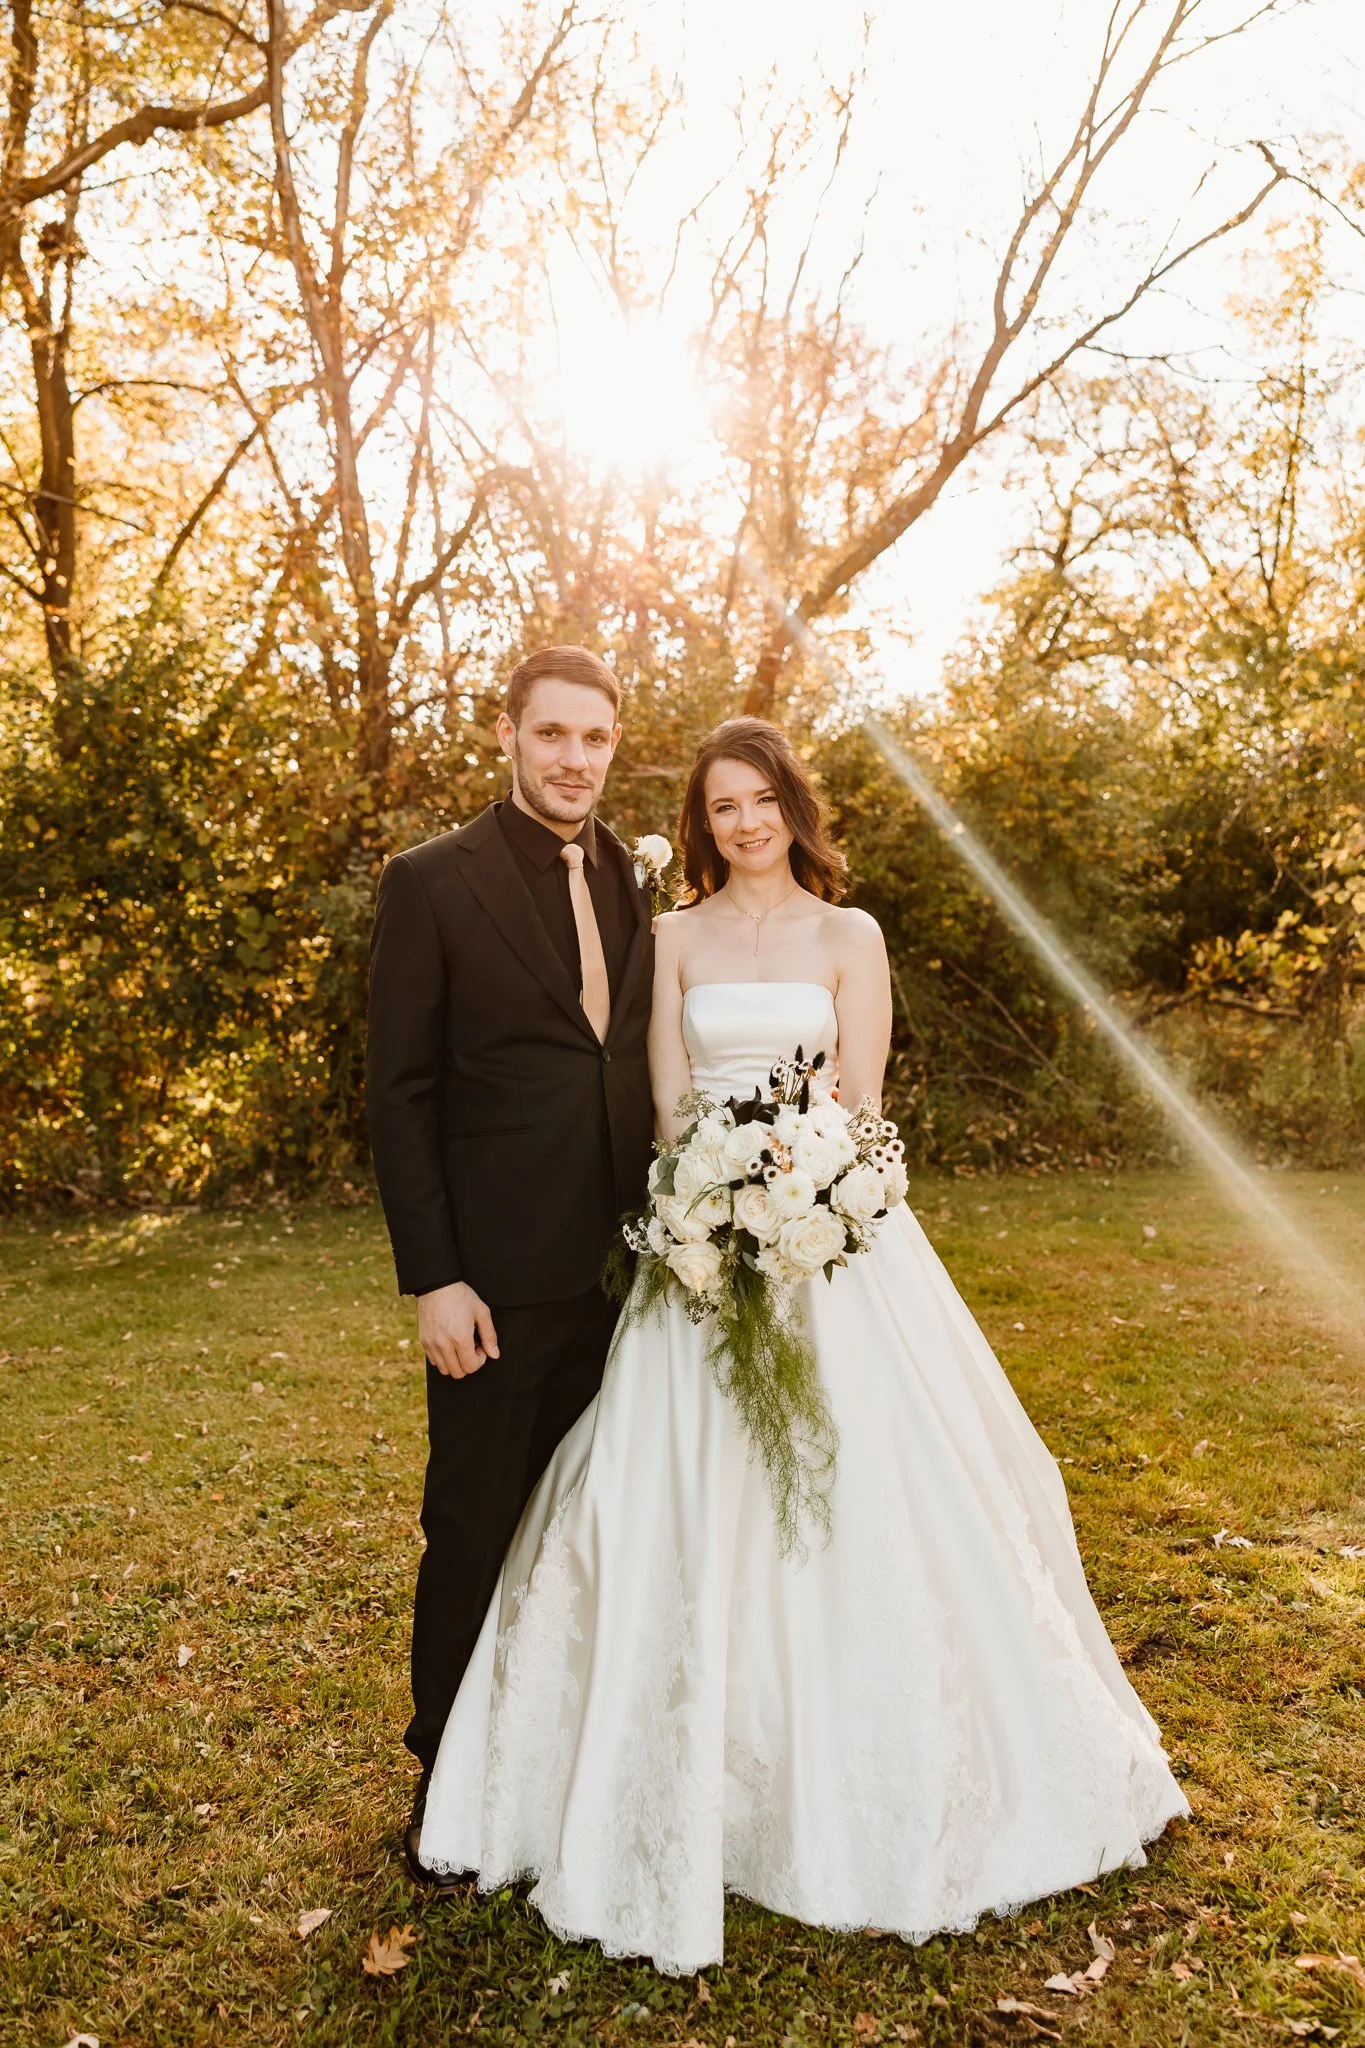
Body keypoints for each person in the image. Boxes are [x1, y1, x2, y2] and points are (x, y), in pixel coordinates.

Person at [417, 715, 1189, 1972]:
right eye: (721, 806)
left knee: (872, 1495)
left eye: (762, 798)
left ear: (792, 805)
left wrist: (813, 1197)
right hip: (698, 1244)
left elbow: (865, 1103)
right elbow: (668, 1098)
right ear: (701, 824)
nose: (745, 822)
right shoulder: (670, 934)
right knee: (665, 1494)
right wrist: (703, 1208)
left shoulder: (852, 934)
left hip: (836, 1249)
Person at [365, 645, 655, 1886]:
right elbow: (399, 1091)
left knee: (593, 1530)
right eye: (552, 734)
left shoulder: (637, 872)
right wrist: (435, 1276)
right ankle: (444, 1786)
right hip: (492, 1285)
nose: (574, 758)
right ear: (508, 734)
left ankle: (559, 1766)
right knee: (475, 1526)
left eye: (594, 738)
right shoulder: (432, 882)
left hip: (632, 1278)